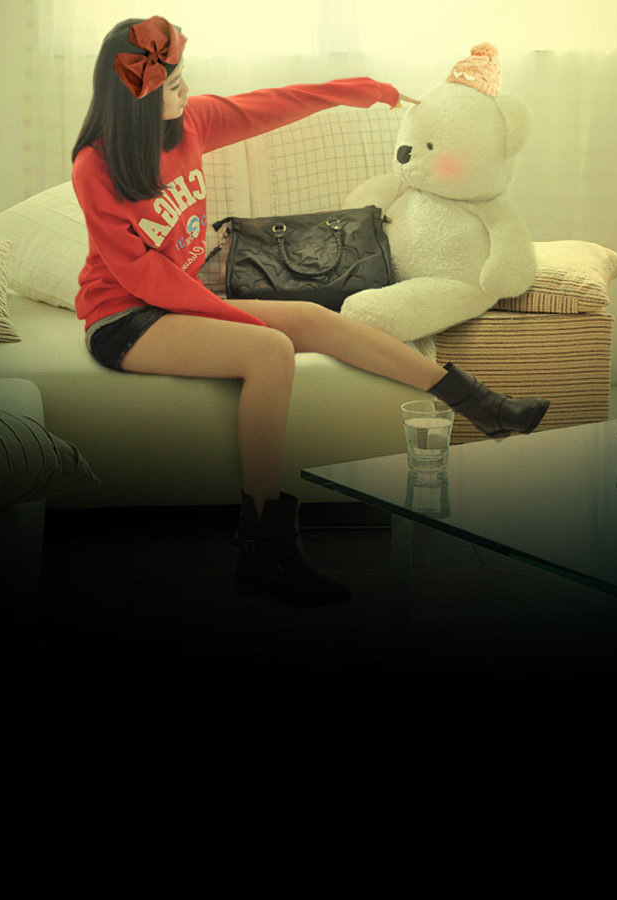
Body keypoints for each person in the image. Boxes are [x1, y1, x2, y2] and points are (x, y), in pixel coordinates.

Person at [71, 16, 549, 606]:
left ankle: (481, 405)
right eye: (172, 85)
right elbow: (142, 276)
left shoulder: (191, 122)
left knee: (316, 319)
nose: (186, 90)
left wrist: (354, 90)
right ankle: (262, 549)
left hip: (183, 302)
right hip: (125, 317)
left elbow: (271, 105)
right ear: (137, 99)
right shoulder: (95, 166)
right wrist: (236, 316)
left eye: (182, 77)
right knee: (270, 349)